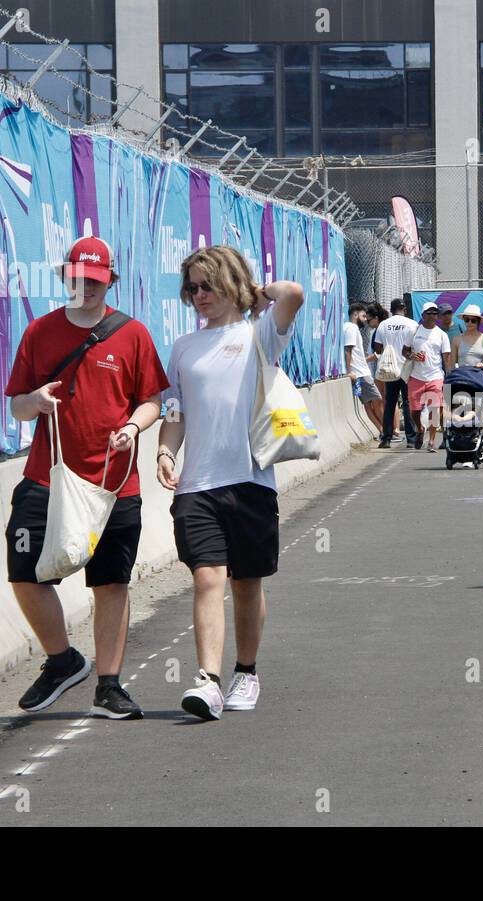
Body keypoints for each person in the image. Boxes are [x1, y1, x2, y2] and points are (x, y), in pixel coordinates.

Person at [4, 236, 169, 719]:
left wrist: (133, 426)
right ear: (64, 277)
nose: (86, 288)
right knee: (24, 572)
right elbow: (16, 404)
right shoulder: (40, 332)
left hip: (113, 483)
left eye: (95, 281)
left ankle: (109, 685)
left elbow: (152, 399)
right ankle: (62, 660)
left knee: (110, 582)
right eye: (78, 280)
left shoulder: (131, 333)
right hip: (47, 477)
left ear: (109, 281)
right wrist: (36, 402)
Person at [156, 245, 305, 721]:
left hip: (251, 479)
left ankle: (246, 670)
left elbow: (294, 294)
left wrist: (257, 295)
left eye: (208, 285)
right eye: (192, 287)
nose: (198, 295)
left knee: (246, 582)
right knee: (206, 577)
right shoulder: (182, 347)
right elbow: (174, 413)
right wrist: (164, 450)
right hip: (196, 485)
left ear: (232, 284)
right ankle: (208, 680)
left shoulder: (260, 334)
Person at [372, 298, 419, 448]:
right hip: (407, 368)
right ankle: (411, 440)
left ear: (391, 310)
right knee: (407, 403)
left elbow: (378, 348)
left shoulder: (383, 325)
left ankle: (386, 438)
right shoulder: (412, 324)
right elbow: (416, 346)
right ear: (404, 309)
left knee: (390, 403)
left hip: (390, 369)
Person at [406, 304, 451, 452]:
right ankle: (420, 428)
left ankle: (431, 441)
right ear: (423, 315)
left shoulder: (441, 334)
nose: (432, 315)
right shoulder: (414, 331)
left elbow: (446, 357)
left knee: (435, 409)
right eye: (429, 312)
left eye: (434, 312)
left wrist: (449, 376)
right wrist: (412, 356)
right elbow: (405, 351)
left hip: (436, 376)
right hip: (416, 376)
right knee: (415, 410)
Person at [345, 304, 384, 435]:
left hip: (359, 372)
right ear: (355, 315)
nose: (366, 319)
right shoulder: (351, 328)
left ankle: (382, 432)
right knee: (377, 399)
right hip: (360, 373)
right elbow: (348, 350)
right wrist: (349, 371)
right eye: (363, 316)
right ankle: (386, 432)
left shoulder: (349, 328)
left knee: (368, 403)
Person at [449, 303, 483, 371]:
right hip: (461, 377)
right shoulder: (456, 339)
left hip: (479, 376)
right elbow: (452, 364)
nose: (469, 323)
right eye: (467, 320)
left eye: (473, 320)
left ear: (478, 321)